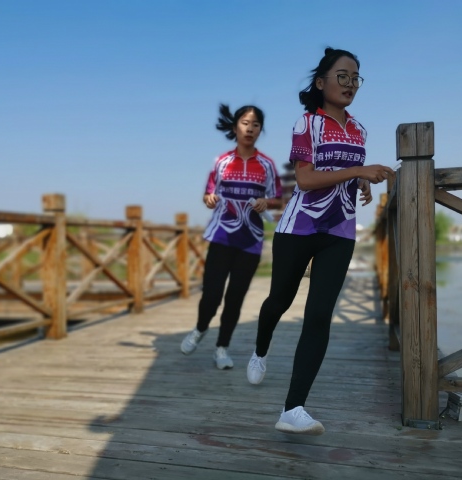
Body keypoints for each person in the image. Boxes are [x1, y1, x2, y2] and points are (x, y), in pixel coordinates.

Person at [246, 47, 395, 435]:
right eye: (342, 76)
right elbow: (307, 179)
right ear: (321, 82)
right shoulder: (307, 123)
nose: (350, 84)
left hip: (340, 231)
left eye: (355, 78)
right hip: (299, 227)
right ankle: (260, 350)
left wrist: (360, 180)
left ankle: (293, 408)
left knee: (318, 316)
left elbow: (344, 170)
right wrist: (360, 170)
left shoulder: (359, 129)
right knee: (279, 300)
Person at [180, 104, 282, 370]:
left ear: (260, 130)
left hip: (251, 240)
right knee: (211, 295)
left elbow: (277, 198)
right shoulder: (221, 161)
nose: (250, 129)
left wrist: (266, 202)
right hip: (221, 235)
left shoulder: (267, 164)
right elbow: (208, 193)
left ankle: (222, 348)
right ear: (236, 126)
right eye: (245, 123)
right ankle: (200, 328)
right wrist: (209, 199)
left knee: (235, 298)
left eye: (256, 125)